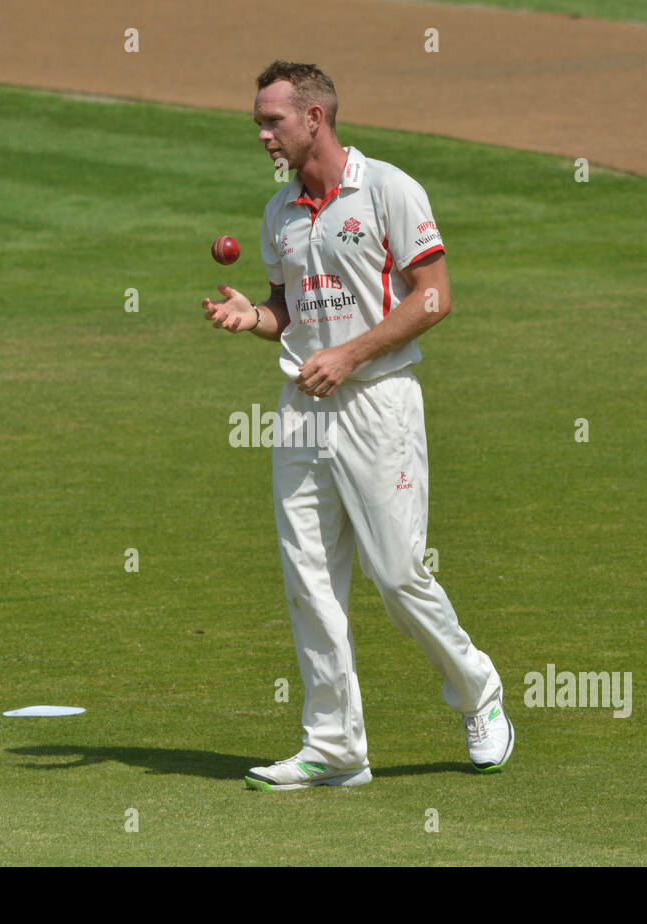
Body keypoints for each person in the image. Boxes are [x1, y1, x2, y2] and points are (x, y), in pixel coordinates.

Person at [201, 61, 514, 791]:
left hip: (378, 402)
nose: (261, 133)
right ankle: (335, 746)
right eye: (258, 120)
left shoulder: (387, 190)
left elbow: (433, 298)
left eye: (271, 120)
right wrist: (254, 319)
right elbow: (289, 309)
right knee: (307, 578)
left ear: (315, 118)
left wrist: (349, 354)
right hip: (302, 409)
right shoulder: (279, 211)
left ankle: (478, 692)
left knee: (398, 574)